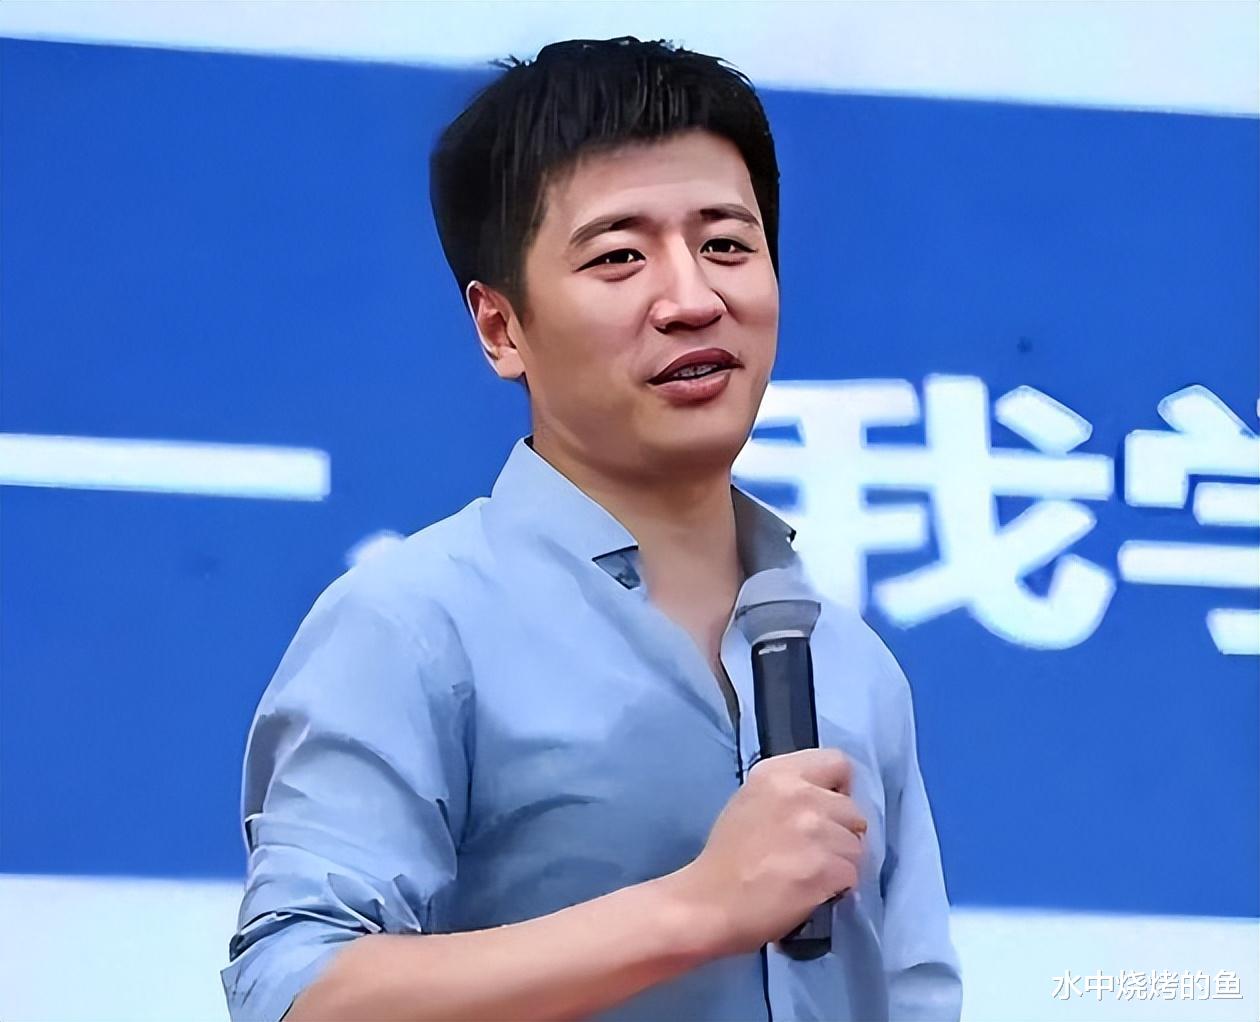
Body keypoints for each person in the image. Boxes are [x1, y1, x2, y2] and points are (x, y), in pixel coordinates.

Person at [221, 35, 962, 1022]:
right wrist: (695, 908)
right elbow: (298, 992)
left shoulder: (849, 660)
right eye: (619, 256)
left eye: (727, 245)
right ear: (502, 328)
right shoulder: (416, 624)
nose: (693, 299)